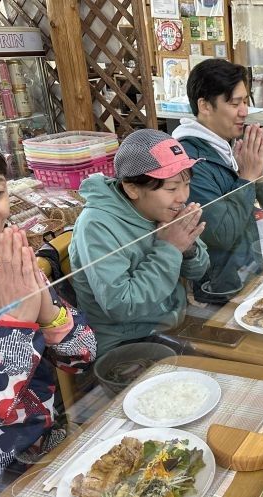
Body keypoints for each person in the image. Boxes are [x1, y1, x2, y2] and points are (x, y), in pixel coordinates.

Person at [0, 124, 96, 480]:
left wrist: (47, 312)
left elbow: (83, 355)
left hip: (49, 455)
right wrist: (18, 327)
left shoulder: (2, 264)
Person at [70, 129, 209, 354]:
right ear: (132, 188)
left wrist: (188, 247)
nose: (182, 196)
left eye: (186, 184)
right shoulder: (96, 225)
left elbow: (200, 271)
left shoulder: (164, 208)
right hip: (124, 343)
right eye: (172, 188)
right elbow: (122, 306)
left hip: (172, 325)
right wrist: (170, 248)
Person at [173, 58, 263, 304]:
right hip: (227, 286)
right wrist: (247, 178)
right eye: (234, 103)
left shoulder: (232, 146)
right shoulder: (189, 162)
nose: (244, 111)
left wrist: (258, 174)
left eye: (246, 101)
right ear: (204, 106)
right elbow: (222, 235)